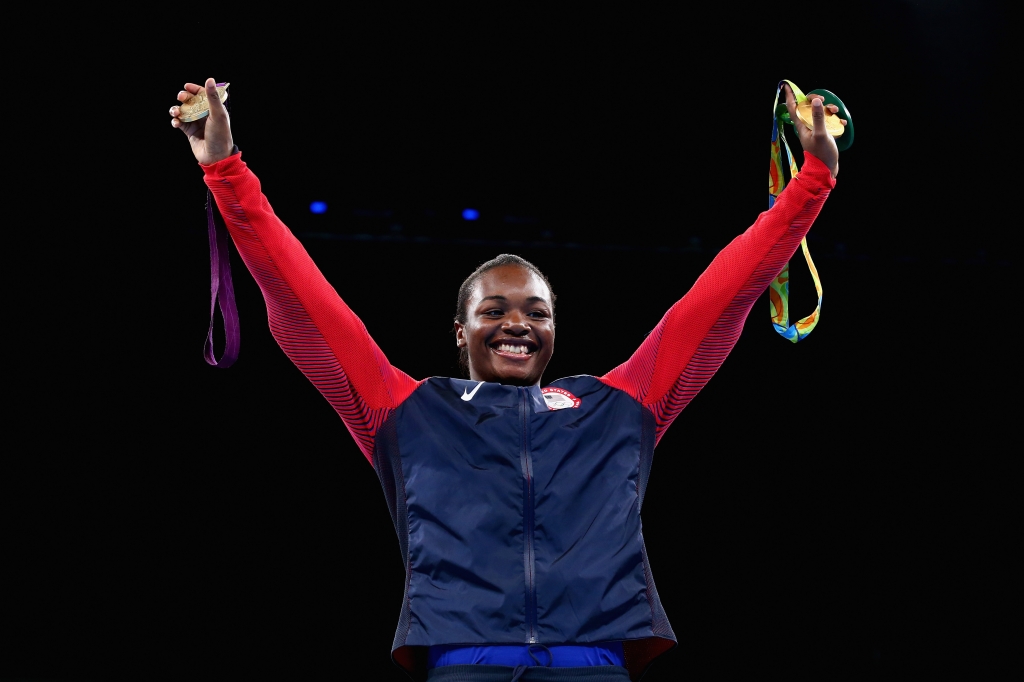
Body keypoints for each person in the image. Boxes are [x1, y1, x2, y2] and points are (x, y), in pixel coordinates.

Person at [171, 78, 842, 682]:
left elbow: (719, 298)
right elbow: (303, 299)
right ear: (460, 331)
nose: (516, 324)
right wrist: (225, 171)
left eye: (536, 312)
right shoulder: (405, 407)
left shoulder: (617, 405)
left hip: (594, 660)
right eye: (492, 310)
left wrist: (811, 180)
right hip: (466, 660)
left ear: (554, 330)